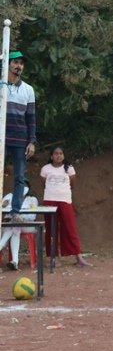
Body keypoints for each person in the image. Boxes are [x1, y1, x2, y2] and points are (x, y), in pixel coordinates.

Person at [40, 146, 92, 267]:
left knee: (70, 228)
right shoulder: (45, 169)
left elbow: (72, 184)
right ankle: (54, 257)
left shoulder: (69, 168)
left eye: (61, 153)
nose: (59, 156)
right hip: (50, 200)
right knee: (51, 229)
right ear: (51, 156)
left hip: (65, 200)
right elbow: (44, 184)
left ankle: (78, 257)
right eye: (56, 153)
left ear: (63, 155)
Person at [5, 51, 37, 222]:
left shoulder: (28, 90)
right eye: (15, 62)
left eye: (21, 63)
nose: (18, 66)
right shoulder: (1, 85)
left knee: (19, 177)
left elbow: (31, 118)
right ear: (8, 64)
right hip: (1, 136)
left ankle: (15, 211)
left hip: (19, 138)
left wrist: (32, 141)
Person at [0, 183, 38, 270]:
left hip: (27, 225)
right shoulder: (10, 196)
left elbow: (32, 216)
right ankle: (15, 262)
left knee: (15, 225)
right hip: (10, 224)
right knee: (15, 228)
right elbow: (2, 207)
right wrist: (3, 204)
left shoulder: (32, 199)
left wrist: (20, 217)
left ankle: (1, 245)